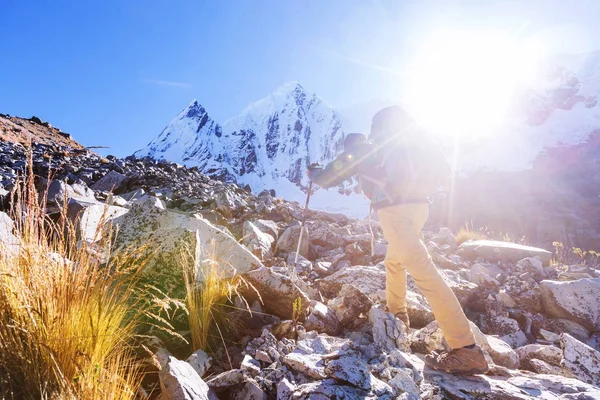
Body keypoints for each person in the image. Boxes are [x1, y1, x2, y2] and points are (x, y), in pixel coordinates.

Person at [307, 106, 489, 374]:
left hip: (394, 211)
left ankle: (465, 349)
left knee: (424, 273)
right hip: (419, 207)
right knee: (395, 261)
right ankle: (397, 313)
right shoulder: (402, 143)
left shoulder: (363, 149)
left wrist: (314, 173)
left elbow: (330, 175)